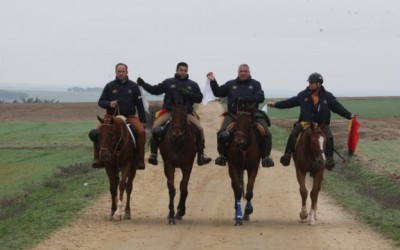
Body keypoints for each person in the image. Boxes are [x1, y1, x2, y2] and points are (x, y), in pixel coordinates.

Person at [267, 72, 356, 170]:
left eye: (312, 82)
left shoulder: (328, 96)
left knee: (329, 137)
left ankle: (330, 158)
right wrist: (275, 105)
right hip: (306, 123)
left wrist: (349, 115)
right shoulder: (302, 95)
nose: (309, 84)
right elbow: (290, 102)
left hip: (322, 125)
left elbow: (338, 107)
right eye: (309, 82)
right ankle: (287, 155)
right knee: (293, 134)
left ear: (319, 84)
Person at [136, 62, 212, 166]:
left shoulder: (192, 84)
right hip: (169, 112)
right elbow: (155, 90)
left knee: (200, 129)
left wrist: (189, 93)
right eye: (181, 70)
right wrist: (144, 84)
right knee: (155, 127)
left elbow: (199, 98)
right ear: (176, 71)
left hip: (186, 114)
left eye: (185, 70)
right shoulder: (168, 82)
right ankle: (153, 154)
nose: (183, 72)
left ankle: (201, 156)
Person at [206, 64, 275, 168]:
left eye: (245, 71)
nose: (243, 73)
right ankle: (222, 156)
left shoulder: (255, 84)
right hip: (234, 115)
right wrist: (213, 81)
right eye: (241, 71)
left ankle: (266, 157)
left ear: (249, 72)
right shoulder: (230, 84)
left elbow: (260, 97)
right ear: (238, 72)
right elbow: (218, 92)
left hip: (252, 114)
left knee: (267, 133)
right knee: (222, 132)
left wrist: (246, 98)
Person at [89, 63, 147, 169]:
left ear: (127, 72)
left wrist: (143, 121)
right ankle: (97, 158)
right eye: (119, 71)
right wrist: (109, 103)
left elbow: (140, 105)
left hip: (129, 116)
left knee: (142, 132)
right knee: (96, 132)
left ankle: (140, 159)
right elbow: (100, 102)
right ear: (115, 72)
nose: (121, 73)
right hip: (110, 117)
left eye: (123, 71)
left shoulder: (134, 86)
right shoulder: (109, 86)